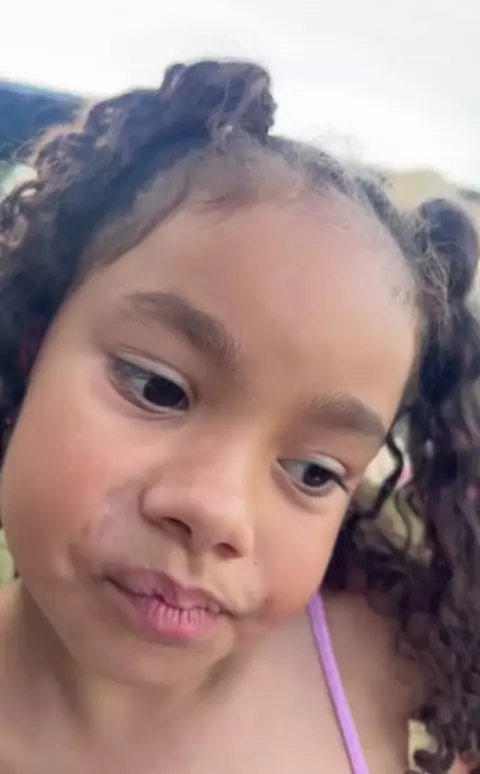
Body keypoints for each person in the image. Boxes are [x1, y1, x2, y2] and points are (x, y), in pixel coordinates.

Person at [0, 60, 478, 774]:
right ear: (32, 348)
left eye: (314, 472)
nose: (217, 512)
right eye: (158, 390)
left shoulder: (405, 680)